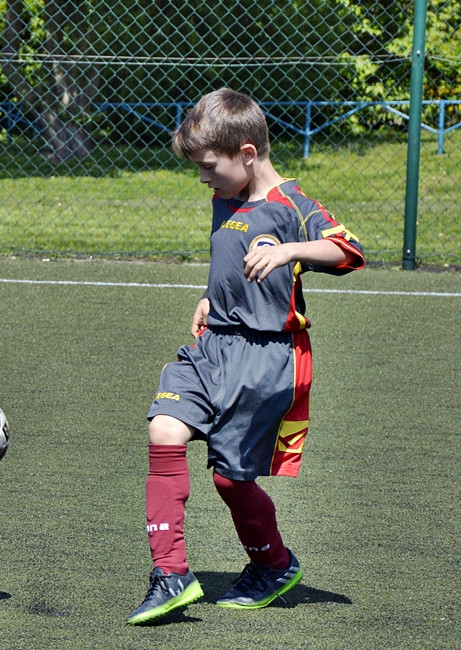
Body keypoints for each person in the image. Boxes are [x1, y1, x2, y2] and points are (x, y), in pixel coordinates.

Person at [127, 88, 365, 625]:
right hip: (213, 346)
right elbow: (231, 258)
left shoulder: (291, 205)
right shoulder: (224, 198)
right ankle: (170, 575)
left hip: (265, 358)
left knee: (231, 480)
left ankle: (274, 566)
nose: (204, 178)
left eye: (210, 166)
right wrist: (213, 295)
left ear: (248, 154)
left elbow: (349, 251)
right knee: (164, 427)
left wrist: (291, 250)